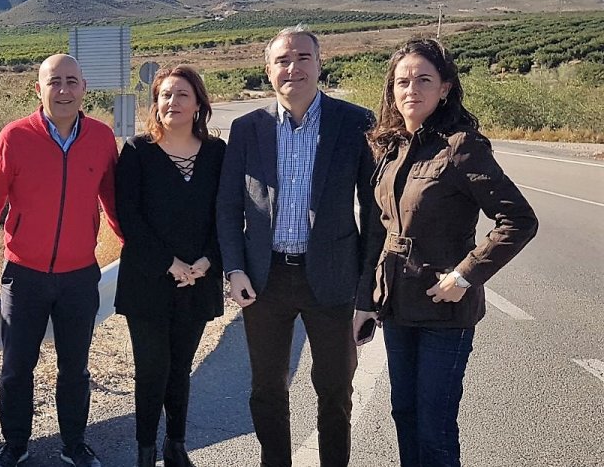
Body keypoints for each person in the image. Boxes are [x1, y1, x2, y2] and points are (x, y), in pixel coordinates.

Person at [359, 38, 537, 467]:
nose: (411, 90)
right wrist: (365, 301)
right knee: (404, 413)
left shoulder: (462, 146)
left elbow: (519, 220)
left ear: (445, 87)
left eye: (424, 80)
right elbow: (379, 232)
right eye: (403, 81)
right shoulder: (391, 146)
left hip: (444, 309)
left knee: (435, 426)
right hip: (397, 306)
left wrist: (464, 276)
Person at [217, 25, 382, 467]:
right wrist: (233, 268)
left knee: (334, 390)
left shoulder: (355, 123)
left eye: (303, 58)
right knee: (266, 389)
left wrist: (367, 291)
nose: (293, 68)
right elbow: (228, 206)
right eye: (283, 60)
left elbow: (375, 211)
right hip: (264, 278)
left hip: (331, 278)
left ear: (319, 64)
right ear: (268, 70)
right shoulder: (247, 128)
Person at [0, 53, 122, 467]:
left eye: (71, 82)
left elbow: (114, 200)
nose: (63, 90)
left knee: (75, 369)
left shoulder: (101, 138)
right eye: (54, 82)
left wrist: (132, 244)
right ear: (39, 89)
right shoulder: (15, 136)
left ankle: (74, 444)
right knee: (15, 369)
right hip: (24, 275)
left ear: (84, 87)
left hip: (80, 276)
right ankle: (15, 444)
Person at [114, 65, 226, 467]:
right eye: (164, 95)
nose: (172, 102)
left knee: (180, 367)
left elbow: (227, 214)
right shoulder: (137, 151)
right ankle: (145, 449)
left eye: (181, 95)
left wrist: (208, 261)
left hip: (200, 278)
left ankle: (175, 445)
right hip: (149, 280)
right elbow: (128, 216)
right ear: (155, 103)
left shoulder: (217, 153)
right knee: (151, 368)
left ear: (198, 103)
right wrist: (170, 263)